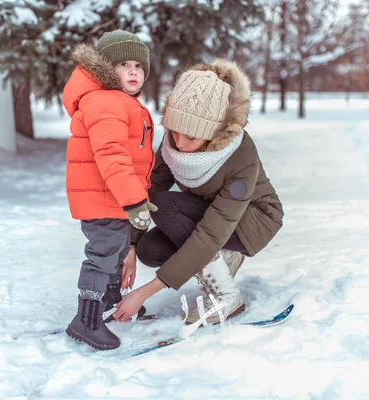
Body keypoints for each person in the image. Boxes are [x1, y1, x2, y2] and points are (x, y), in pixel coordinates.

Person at [112, 59, 284, 325]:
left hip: (253, 220)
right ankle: (222, 259)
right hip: (207, 214)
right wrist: (131, 246)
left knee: (165, 205)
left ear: (213, 132)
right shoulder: (176, 142)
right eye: (173, 131)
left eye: (190, 137)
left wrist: (145, 292)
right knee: (150, 249)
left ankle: (227, 296)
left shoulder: (240, 155)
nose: (178, 143)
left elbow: (211, 232)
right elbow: (149, 188)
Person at [61, 30, 156, 350]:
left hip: (109, 196)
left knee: (115, 249)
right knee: (103, 253)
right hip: (103, 196)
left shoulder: (119, 101)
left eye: (139, 67)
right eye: (124, 64)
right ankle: (85, 320)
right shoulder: (105, 101)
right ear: (105, 69)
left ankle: (110, 296)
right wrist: (134, 200)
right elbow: (112, 155)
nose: (133, 72)